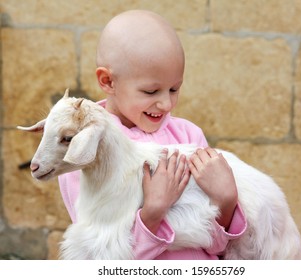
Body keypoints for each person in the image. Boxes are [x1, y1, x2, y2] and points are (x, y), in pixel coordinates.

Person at [58, 9, 246, 260]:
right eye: (150, 91)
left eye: (174, 89)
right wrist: (154, 211)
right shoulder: (85, 150)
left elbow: (218, 249)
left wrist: (226, 202)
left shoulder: (189, 135)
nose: (166, 104)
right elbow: (100, 259)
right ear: (108, 81)